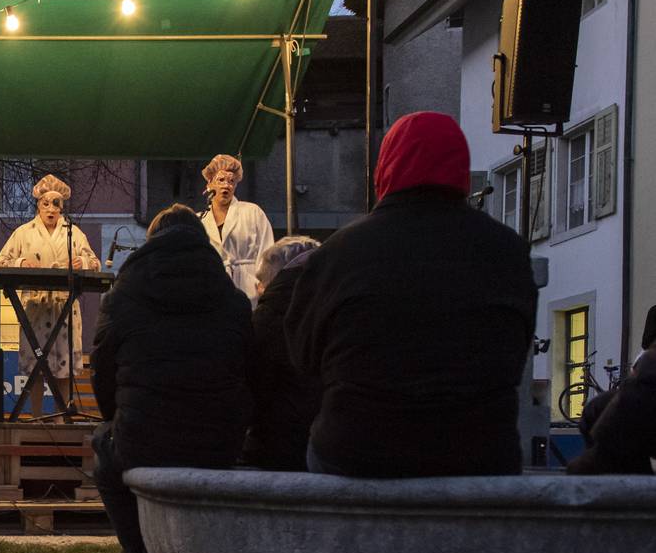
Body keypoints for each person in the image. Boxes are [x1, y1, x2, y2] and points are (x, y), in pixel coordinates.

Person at [286, 111, 538, 477]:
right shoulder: (508, 250)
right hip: (480, 452)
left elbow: (302, 356)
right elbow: (517, 346)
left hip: (357, 450)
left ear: (386, 166)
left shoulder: (339, 252)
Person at [90, 204, 253, 553]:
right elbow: (248, 366)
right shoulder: (232, 298)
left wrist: (116, 417)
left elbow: (102, 368)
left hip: (143, 436)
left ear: (151, 242)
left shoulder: (123, 293)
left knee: (106, 461)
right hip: (218, 439)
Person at [0, 174, 100, 418]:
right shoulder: (23, 233)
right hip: (36, 308)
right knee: (36, 366)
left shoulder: (73, 232)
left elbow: (94, 261)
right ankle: (38, 416)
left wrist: (82, 261)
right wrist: (21, 262)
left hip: (63, 307)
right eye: (45, 203)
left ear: (62, 207)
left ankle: (63, 418)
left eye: (55, 204)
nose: (50, 209)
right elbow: (0, 261)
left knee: (62, 367)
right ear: (38, 205)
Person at [242, 236, 322, 471]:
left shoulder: (266, 319)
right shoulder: (332, 309)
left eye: (261, 282)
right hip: (326, 443)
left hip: (275, 448)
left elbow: (254, 388)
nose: (257, 289)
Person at [566, 347, 656, 474]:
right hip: (624, 451)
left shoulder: (623, 396)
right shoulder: (637, 397)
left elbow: (597, 430)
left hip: (608, 447)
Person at [199, 153, 274, 303]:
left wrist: (265, 283)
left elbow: (268, 251)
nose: (227, 185)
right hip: (212, 288)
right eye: (221, 180)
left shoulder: (252, 212)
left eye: (232, 181)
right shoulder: (199, 220)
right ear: (209, 183)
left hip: (250, 288)